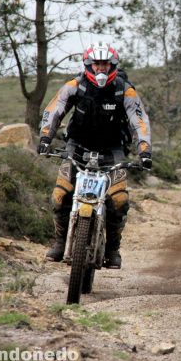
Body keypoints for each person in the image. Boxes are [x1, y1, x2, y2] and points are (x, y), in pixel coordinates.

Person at [38, 42, 152, 268]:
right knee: (60, 196)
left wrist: (144, 150)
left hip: (113, 150)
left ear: (113, 66)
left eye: (105, 64)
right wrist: (45, 138)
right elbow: (55, 108)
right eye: (97, 64)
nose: (101, 69)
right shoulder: (75, 85)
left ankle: (112, 249)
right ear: (88, 65)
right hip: (76, 146)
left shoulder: (124, 89)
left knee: (119, 200)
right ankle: (61, 242)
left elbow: (139, 120)